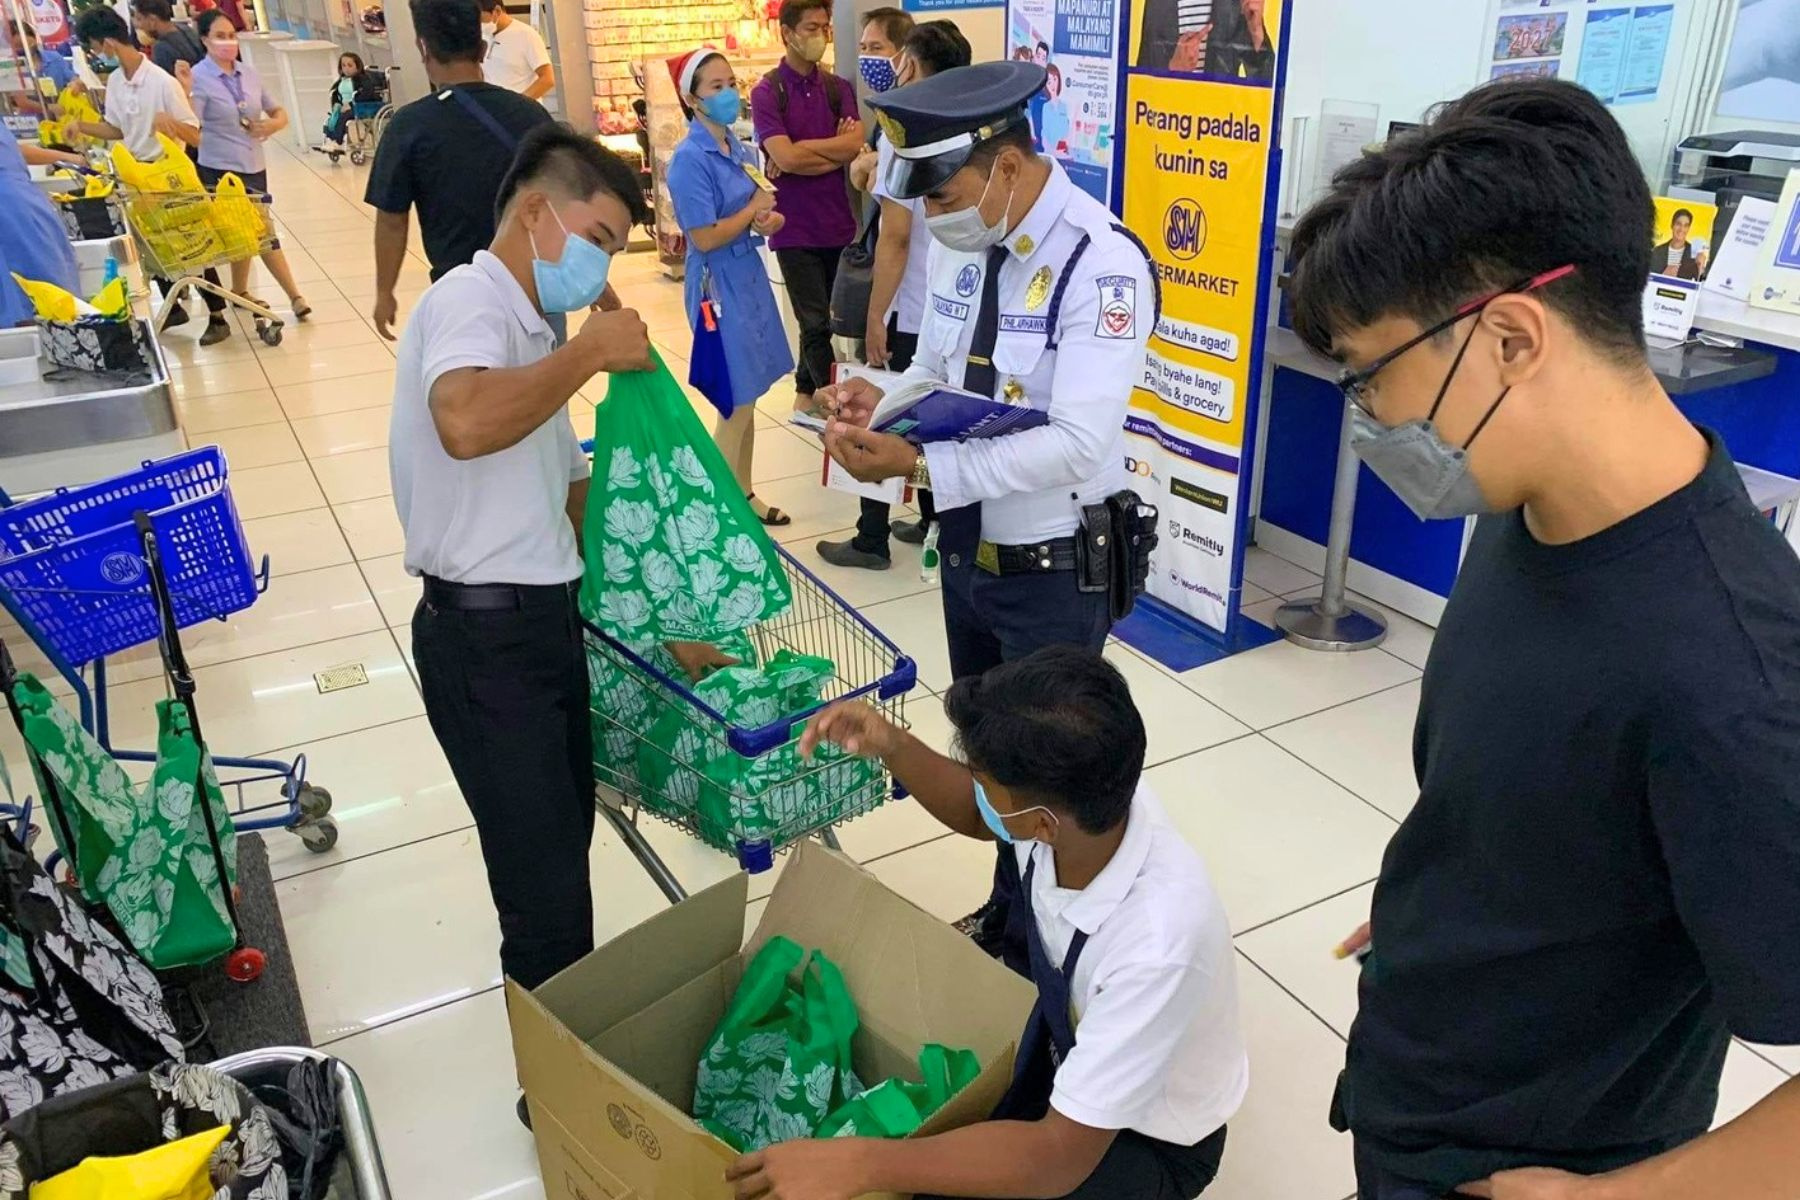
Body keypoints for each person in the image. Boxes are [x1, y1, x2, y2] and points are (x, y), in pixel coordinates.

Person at [1287, 78, 1800, 1200]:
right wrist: (1460, 887)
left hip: (1539, 1157)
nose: (1369, 416)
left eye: (1374, 374)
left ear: (1511, 336)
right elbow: (1544, 775)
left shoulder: (1735, 672)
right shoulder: (1529, 506)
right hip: (1423, 1073)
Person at [819, 60, 1156, 957]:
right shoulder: (973, 243)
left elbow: (1081, 444)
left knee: (1048, 779)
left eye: (944, 194)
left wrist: (923, 465)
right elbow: (936, 371)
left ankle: (1058, 950)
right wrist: (872, 401)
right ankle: (1012, 919)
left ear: (1006, 166)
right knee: (990, 763)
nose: (933, 217)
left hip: (1052, 572)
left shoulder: (1101, 264)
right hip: (968, 557)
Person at [724, 647, 1244, 1200]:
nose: (977, 790)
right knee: (938, 1140)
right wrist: (891, 745)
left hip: (1151, 1141)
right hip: (1067, 1050)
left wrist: (861, 1163)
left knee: (933, 1175)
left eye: (983, 779)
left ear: (1042, 823)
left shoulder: (1157, 945)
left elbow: (1056, 1158)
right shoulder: (1087, 801)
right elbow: (981, 813)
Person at [389, 128, 652, 1107]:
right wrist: (589, 350)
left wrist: (657, 616)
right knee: (543, 900)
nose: (600, 265)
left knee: (562, 857)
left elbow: (573, 496)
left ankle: (564, 1070)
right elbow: (462, 420)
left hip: (542, 630)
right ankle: (558, 1106)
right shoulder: (470, 301)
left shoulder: (536, 332)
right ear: (537, 212)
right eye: (599, 235)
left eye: (617, 249)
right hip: (482, 641)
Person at [816, 17, 968, 572]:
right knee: (946, 418)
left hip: (912, 305)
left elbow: (895, 237)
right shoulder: (977, 127)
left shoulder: (905, 133)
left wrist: (875, 314)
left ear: (913, 65)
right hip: (962, 306)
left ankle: (870, 537)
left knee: (885, 413)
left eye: (890, 55)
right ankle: (935, 522)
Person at [364, 0, 554, 340]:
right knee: (546, 388)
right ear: (482, 49)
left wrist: (384, 293)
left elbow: (392, 220)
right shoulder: (531, 116)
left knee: (474, 391)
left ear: (424, 48)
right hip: (537, 290)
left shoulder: (408, 126)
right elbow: (563, 203)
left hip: (463, 295)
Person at [665, 47, 796, 526]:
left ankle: (743, 493)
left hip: (748, 275)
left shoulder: (739, 150)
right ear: (692, 99)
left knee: (751, 393)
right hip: (715, 286)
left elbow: (754, 214)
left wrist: (766, 218)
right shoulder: (688, 161)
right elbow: (703, 235)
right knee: (734, 398)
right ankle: (717, 513)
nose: (727, 94)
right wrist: (751, 211)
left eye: (731, 83)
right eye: (715, 87)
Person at [73, 5, 233, 346]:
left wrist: (169, 123)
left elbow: (194, 132)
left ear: (108, 43)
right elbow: (116, 128)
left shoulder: (163, 82)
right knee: (150, 245)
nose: (97, 55)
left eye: (96, 47)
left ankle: (218, 315)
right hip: (136, 177)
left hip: (168, 176)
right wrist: (81, 127)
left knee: (192, 246)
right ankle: (174, 309)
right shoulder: (116, 82)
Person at [750, 0, 863, 423]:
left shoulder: (837, 89)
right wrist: (824, 154)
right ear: (788, 33)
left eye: (825, 26)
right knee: (814, 320)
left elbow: (851, 146)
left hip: (837, 221)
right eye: (812, 27)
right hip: (792, 227)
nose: (821, 35)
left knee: (830, 318)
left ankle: (803, 392)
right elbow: (784, 157)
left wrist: (802, 153)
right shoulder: (767, 92)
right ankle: (832, 405)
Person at [188, 11, 311, 321]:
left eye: (231, 34)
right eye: (220, 35)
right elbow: (191, 125)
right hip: (220, 168)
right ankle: (295, 296)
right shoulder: (198, 78)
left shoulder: (248, 74)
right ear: (204, 39)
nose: (228, 42)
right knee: (258, 231)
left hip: (253, 162)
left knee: (245, 232)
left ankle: (240, 290)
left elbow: (277, 110)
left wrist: (273, 124)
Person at [0, 121, 80, 327]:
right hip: (20, 209)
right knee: (48, 309)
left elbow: (10, 149)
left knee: (36, 308)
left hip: (17, 208)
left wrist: (63, 157)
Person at [475, 0, 552, 103]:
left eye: (481, 20)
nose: (479, 25)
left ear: (497, 11)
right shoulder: (482, 36)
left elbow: (547, 78)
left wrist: (519, 103)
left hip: (522, 110)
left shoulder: (526, 35)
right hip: (494, 109)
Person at [317, 50, 379, 153]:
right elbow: (336, 93)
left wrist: (350, 105)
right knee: (333, 119)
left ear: (357, 66)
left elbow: (367, 94)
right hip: (344, 107)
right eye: (343, 65)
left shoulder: (363, 80)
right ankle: (330, 139)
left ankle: (337, 141)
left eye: (350, 65)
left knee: (343, 117)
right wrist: (336, 104)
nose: (346, 69)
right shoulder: (342, 80)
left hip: (361, 106)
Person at [130, 0, 205, 84]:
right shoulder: (186, 29)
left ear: (152, 20)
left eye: (139, 19)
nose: (137, 25)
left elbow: (164, 86)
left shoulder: (160, 48)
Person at [853, 5, 909, 97]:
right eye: (863, 48)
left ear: (904, 53)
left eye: (876, 48)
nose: (866, 55)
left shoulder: (917, 104)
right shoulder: (883, 103)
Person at [1653, 207, 1706, 281]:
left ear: (1689, 228)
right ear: (1672, 225)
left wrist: (1701, 267)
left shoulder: (1695, 255)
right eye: (1678, 224)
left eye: (1686, 225)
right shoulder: (1657, 252)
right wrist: (1663, 277)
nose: (1681, 229)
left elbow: (1700, 283)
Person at [1037, 64, 1068, 153]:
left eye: (1055, 79)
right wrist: (1053, 151)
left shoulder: (1064, 107)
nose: (1053, 85)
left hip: (1063, 152)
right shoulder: (1046, 107)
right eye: (1049, 82)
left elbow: (1066, 132)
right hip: (1050, 153)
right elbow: (1045, 135)